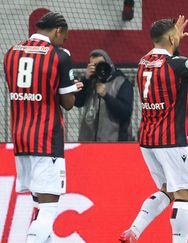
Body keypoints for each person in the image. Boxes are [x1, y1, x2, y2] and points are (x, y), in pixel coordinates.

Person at [119, 16, 188, 243]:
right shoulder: (176, 63)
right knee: (184, 193)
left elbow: (167, 56)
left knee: (166, 190)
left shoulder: (143, 62)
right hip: (171, 139)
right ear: (171, 37)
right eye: (176, 36)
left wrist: (174, 38)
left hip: (147, 140)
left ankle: (133, 231)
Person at [3, 11, 83, 242]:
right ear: (58, 30)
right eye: (64, 36)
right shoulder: (59, 56)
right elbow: (68, 104)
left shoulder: (11, 53)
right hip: (46, 138)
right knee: (49, 207)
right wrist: (70, 89)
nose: (65, 41)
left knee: (39, 205)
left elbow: (23, 90)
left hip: (20, 138)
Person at [74, 49, 134, 141]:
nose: (98, 68)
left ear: (108, 64)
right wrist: (85, 80)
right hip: (87, 143)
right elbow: (77, 102)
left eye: (100, 64)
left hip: (114, 143)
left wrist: (106, 96)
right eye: (94, 65)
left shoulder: (122, 82)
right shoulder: (90, 82)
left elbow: (126, 112)